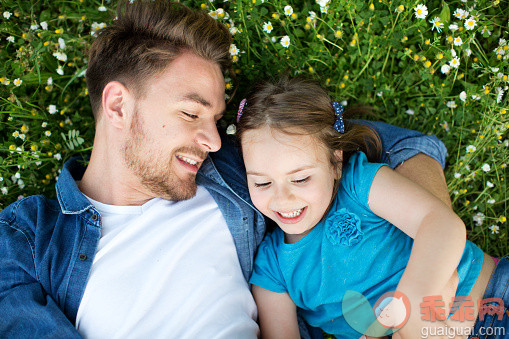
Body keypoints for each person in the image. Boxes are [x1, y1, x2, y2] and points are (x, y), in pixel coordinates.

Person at [0, 0, 465, 338]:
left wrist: (434, 275)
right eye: (190, 113)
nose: (214, 140)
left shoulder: (242, 170)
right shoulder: (25, 239)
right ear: (118, 104)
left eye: (218, 120)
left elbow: (394, 143)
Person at [236, 77, 507, 338]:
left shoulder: (358, 184)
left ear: (335, 163)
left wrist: (409, 308)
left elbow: (442, 225)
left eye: (301, 178)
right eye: (262, 183)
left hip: (492, 301)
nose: (283, 198)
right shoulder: (272, 269)